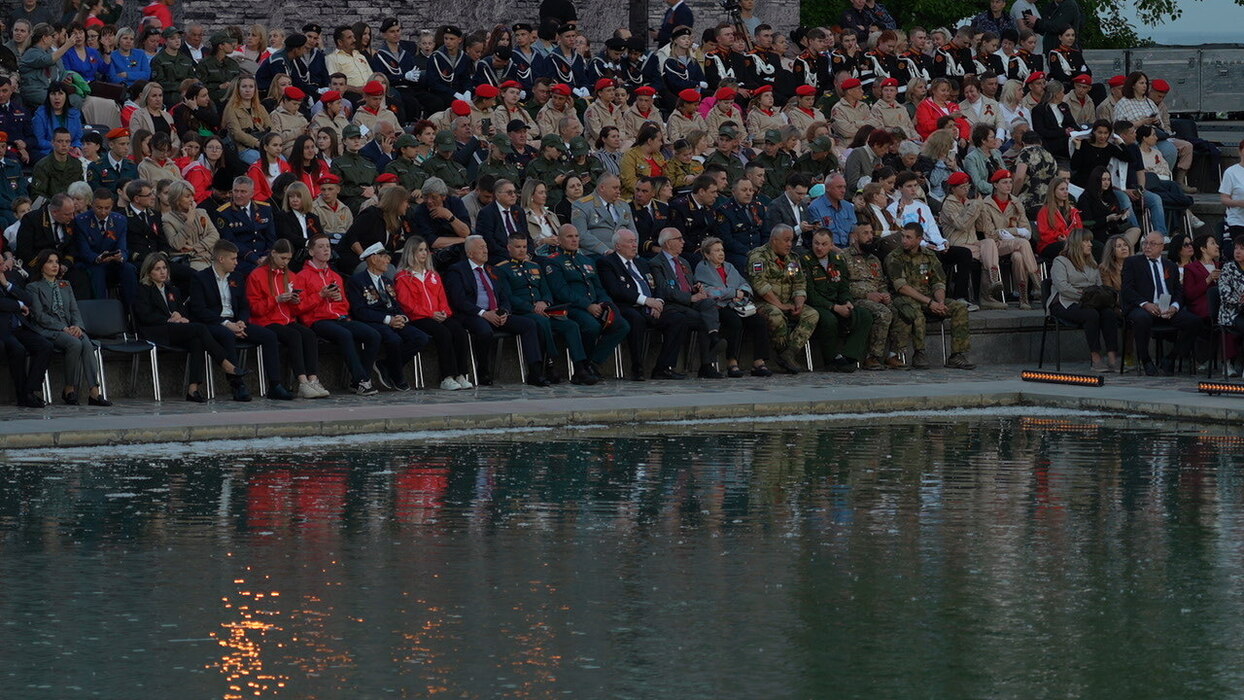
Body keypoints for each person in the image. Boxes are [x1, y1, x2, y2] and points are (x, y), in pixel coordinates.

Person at [133, 252, 251, 402]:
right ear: (149, 272)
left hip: (174, 330)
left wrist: (180, 317)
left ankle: (193, 389)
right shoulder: (143, 289)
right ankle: (226, 364)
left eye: (164, 268)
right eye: (157, 269)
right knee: (199, 329)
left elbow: (184, 312)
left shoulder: (172, 290)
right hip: (155, 331)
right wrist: (169, 319)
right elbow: (145, 316)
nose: (162, 272)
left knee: (197, 340)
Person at [187, 239, 289, 401]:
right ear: (221, 259)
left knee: (269, 336)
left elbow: (244, 306)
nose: (237, 262)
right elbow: (199, 310)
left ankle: (275, 385)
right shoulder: (201, 278)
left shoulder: (237, 277)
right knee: (227, 334)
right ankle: (237, 385)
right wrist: (227, 324)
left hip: (236, 322)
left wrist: (241, 321)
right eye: (233, 259)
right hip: (213, 323)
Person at [443, 234, 549, 386]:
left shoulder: (491, 269)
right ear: (470, 253)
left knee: (529, 324)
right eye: (481, 248)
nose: (486, 251)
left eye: (486, 247)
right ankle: (483, 371)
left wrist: (504, 312)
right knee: (484, 331)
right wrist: (483, 313)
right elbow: (459, 300)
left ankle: (535, 372)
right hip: (473, 314)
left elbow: (504, 296)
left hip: (496, 313)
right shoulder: (457, 270)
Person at [495, 233, 600, 385]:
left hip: (543, 311)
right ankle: (550, 364)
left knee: (570, 325)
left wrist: (545, 302)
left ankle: (579, 369)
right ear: (509, 248)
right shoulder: (502, 269)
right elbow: (508, 297)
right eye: (518, 247)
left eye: (524, 247)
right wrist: (531, 308)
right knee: (541, 322)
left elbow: (546, 291)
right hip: (523, 312)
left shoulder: (534, 266)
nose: (522, 250)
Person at [296, 233, 381, 395]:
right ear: (311, 252)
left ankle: (361, 379)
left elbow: (346, 306)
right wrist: (320, 296)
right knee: (344, 334)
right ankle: (361, 380)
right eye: (321, 247)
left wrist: (339, 298)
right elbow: (298, 307)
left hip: (339, 318)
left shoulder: (335, 276)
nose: (326, 250)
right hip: (317, 320)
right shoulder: (302, 276)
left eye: (328, 246)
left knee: (373, 335)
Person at [245, 238, 329, 399]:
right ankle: (302, 382)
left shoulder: (290, 275)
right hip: (266, 321)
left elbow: (296, 310)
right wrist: (276, 299)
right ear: (273, 253)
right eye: (283, 258)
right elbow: (254, 308)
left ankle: (313, 379)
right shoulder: (257, 275)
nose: (285, 262)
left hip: (286, 319)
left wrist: (295, 301)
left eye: (289, 259)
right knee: (293, 336)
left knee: (309, 334)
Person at [23, 249, 109, 405]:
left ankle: (94, 392)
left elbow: (74, 310)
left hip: (70, 327)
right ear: (41, 266)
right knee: (75, 343)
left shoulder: (65, 284)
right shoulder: (33, 287)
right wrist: (63, 328)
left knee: (86, 342)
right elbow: (39, 316)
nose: (55, 265)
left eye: (57, 262)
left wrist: (77, 326)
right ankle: (69, 388)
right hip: (49, 329)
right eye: (50, 262)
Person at [887, 222, 975, 370]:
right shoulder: (894, 257)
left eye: (908, 237)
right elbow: (902, 287)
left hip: (929, 298)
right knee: (915, 312)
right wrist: (930, 303)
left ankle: (957, 355)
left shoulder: (929, 256)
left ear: (919, 239)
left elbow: (938, 282)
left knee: (959, 308)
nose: (904, 240)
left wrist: (940, 302)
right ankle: (919, 353)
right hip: (906, 298)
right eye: (903, 236)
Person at [345, 243, 430, 391]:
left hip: (393, 320)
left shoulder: (387, 281)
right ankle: (397, 375)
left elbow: (396, 305)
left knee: (420, 338)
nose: (388, 260)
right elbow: (360, 311)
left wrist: (402, 317)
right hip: (373, 321)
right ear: (373, 259)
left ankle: (386, 365)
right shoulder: (357, 281)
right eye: (384, 257)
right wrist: (388, 320)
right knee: (394, 340)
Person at [393, 236, 474, 390]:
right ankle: (446, 377)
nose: (424, 253)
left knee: (459, 331)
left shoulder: (433, 275)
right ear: (411, 252)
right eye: (420, 250)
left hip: (437, 315)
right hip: (418, 317)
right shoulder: (403, 277)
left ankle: (461, 374)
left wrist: (444, 312)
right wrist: (430, 313)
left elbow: (441, 297)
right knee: (443, 333)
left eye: (426, 250)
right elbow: (407, 303)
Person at [1120, 231, 1200, 376]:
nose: (1147, 246)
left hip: (1166, 308)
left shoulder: (1170, 265)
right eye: (1145, 243)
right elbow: (1127, 289)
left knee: (1194, 322)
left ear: (1162, 247)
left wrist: (1174, 307)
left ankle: (1171, 357)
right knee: (1141, 318)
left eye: (1152, 244)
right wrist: (1145, 304)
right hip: (1143, 307)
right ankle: (1145, 360)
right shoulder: (1133, 262)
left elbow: (1178, 291)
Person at [694, 236, 772, 377]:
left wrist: (742, 293)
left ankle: (759, 362)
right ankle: (732, 362)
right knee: (734, 322)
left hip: (738, 305)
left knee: (759, 322)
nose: (721, 253)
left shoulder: (729, 266)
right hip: (719, 307)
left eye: (722, 250)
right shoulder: (702, 268)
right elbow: (708, 291)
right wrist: (733, 292)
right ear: (707, 254)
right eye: (716, 251)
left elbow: (744, 284)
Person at [747, 224, 818, 374]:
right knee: (776, 315)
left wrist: (799, 303)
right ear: (774, 240)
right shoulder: (759, 256)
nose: (789, 244)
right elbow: (760, 285)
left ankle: (789, 354)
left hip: (787, 302)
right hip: (763, 303)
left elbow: (798, 282)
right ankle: (783, 355)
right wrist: (780, 305)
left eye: (791, 240)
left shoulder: (792, 259)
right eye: (786, 240)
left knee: (811, 314)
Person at [802, 228, 874, 372]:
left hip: (837, 302)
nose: (819, 248)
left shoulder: (838, 260)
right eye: (816, 243)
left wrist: (847, 301)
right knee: (829, 320)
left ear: (831, 245)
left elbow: (843, 287)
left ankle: (849, 356)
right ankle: (831, 359)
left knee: (864, 315)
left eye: (824, 244)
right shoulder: (805, 261)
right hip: (818, 305)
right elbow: (810, 294)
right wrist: (834, 307)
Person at [1049, 228, 1120, 372]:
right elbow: (1063, 287)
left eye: (1090, 241)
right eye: (1086, 241)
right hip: (1065, 302)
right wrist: (1086, 296)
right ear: (1076, 243)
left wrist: (1097, 297)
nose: (1090, 244)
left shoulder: (1092, 264)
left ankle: (1112, 357)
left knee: (1108, 313)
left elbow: (1099, 286)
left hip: (1091, 301)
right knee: (1090, 314)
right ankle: (1096, 359)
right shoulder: (1060, 261)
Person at [845, 222, 905, 370]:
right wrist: (867, 295)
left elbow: (881, 282)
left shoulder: (874, 259)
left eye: (871, 233)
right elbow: (843, 286)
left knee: (901, 310)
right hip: (857, 299)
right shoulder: (844, 257)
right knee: (883, 313)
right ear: (855, 236)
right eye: (865, 233)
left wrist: (885, 293)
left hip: (877, 297)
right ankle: (872, 357)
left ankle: (893, 355)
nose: (870, 237)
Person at [0, 255, 53, 408]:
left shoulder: (8, 278)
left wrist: (7, 285)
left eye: (3, 263)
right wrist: (18, 305)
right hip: (3, 330)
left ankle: (29, 391)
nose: (4, 267)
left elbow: (28, 300)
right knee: (18, 349)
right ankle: (23, 396)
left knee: (45, 346)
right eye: (0, 265)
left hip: (20, 327)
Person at [74, 187, 139, 305]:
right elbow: (84, 250)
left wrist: (120, 256)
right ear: (92, 204)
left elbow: (122, 247)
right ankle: (101, 309)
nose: (103, 212)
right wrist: (98, 258)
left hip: (113, 262)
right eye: (99, 208)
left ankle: (133, 309)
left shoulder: (120, 220)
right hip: (92, 263)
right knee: (97, 272)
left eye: (107, 208)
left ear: (112, 205)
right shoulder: (81, 221)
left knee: (128, 269)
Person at [211, 176, 277, 276]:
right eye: (235, 191)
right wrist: (255, 258)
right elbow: (230, 241)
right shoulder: (223, 213)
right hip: (240, 259)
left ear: (252, 193)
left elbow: (271, 237)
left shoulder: (264, 209)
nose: (238, 195)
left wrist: (267, 256)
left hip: (265, 256)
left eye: (243, 192)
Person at [571, 173, 635, 256]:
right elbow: (581, 234)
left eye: (619, 188)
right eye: (615, 188)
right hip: (596, 254)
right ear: (602, 188)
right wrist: (605, 250)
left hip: (624, 253)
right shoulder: (582, 205)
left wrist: (633, 250)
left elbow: (633, 230)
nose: (618, 192)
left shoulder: (624, 205)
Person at [1035, 177, 1081, 263]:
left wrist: (1071, 238)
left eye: (1067, 189)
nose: (1066, 192)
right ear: (1053, 191)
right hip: (1049, 244)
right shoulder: (1045, 211)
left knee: (1096, 246)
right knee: (1068, 247)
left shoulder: (1073, 211)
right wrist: (1058, 236)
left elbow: (1079, 230)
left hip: (1071, 241)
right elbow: (1044, 233)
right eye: (1062, 189)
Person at [1217, 242, 1244, 377]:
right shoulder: (1228, 268)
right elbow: (1224, 295)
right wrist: (1240, 300)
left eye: (1242, 249)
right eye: (1236, 248)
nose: (1237, 251)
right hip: (1231, 311)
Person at [1219, 137, 1244, 260]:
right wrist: (1239, 203)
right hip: (1237, 221)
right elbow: (1224, 198)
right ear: (1240, 151)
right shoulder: (1231, 172)